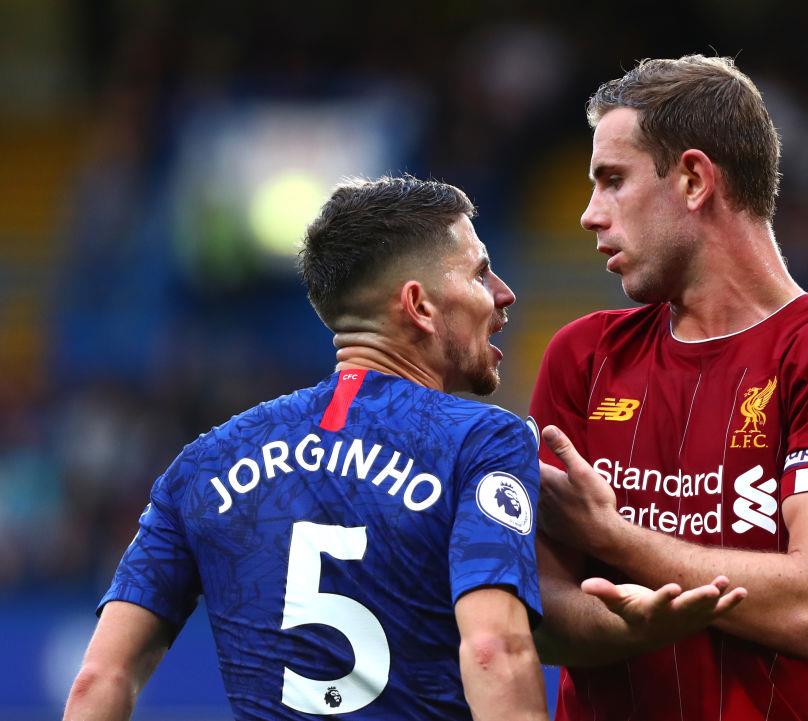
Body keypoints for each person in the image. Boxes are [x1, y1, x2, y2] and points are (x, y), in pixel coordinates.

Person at [63, 176, 550, 721]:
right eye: (481, 273)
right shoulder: (483, 441)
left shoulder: (202, 465)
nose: (503, 293)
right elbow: (492, 650)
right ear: (419, 305)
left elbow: (99, 678)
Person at [528, 55, 808, 721]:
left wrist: (615, 538)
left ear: (694, 180)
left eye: (613, 181)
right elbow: (537, 606)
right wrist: (636, 629)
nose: (590, 215)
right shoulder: (582, 356)